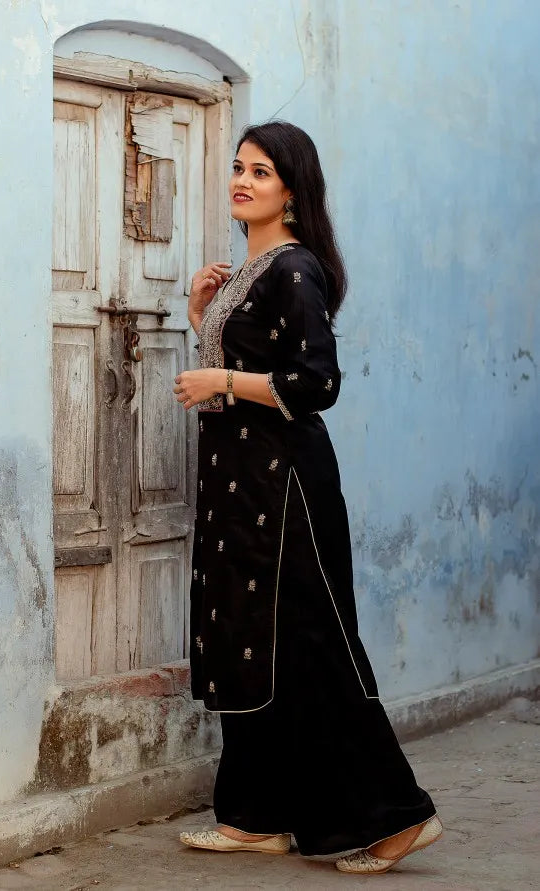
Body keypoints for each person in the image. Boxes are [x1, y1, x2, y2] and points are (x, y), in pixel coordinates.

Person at [172, 121, 442, 875]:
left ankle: (395, 818)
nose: (243, 180)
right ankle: (256, 815)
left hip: (285, 490)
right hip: (238, 486)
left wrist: (219, 378)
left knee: (313, 647)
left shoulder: (295, 268)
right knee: (247, 643)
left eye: (261, 171)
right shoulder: (249, 269)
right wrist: (204, 321)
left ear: (291, 189)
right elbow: (256, 368)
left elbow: (313, 383)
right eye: (238, 167)